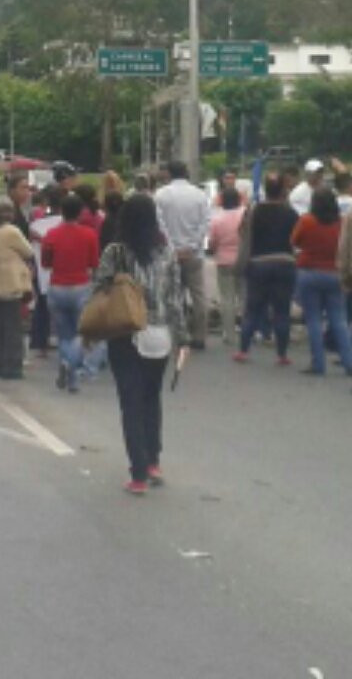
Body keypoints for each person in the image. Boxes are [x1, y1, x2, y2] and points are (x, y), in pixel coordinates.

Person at [95, 193, 187, 494]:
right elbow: (175, 297)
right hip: (160, 334)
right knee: (151, 398)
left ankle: (137, 474)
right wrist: (181, 338)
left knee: (130, 402)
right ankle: (153, 460)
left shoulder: (115, 252)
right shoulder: (167, 251)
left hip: (126, 333)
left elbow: (101, 288)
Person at [235, 172, 298, 364]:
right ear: (283, 191)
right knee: (282, 311)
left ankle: (244, 350)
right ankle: (282, 354)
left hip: (259, 263)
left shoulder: (254, 211)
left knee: (253, 308)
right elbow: (296, 240)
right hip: (285, 262)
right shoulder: (291, 213)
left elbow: (242, 232)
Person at [291, 186, 352, 377]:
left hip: (309, 273)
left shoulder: (307, 221)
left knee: (314, 320)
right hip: (334, 273)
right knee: (339, 320)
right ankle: (349, 361)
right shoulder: (341, 222)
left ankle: (318, 363)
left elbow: (294, 241)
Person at [42, 193, 100, 393]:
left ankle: (67, 367)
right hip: (81, 286)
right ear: (80, 212)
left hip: (57, 285)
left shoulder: (51, 234)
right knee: (80, 333)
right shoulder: (90, 234)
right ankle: (72, 370)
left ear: (61, 212)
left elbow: (45, 262)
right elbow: (94, 263)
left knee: (63, 334)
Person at [154, 160, 210, 349]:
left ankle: (177, 333)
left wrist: (173, 247)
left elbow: (160, 225)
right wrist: (192, 246)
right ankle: (200, 335)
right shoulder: (200, 195)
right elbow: (205, 223)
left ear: (169, 173)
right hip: (194, 254)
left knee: (172, 295)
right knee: (199, 295)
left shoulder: (161, 195)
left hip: (170, 254)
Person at [0, 197, 34, 380]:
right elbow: (29, 251)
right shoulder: (11, 232)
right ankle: (13, 366)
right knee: (12, 329)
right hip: (10, 285)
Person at [28, 185, 64, 359]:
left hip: (42, 271)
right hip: (63, 273)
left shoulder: (37, 225)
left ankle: (40, 343)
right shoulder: (66, 224)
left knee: (41, 306)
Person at [207, 187, 245, 346]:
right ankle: (246, 331)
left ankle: (229, 334)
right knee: (244, 297)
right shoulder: (245, 216)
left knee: (227, 299)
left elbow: (212, 243)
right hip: (243, 260)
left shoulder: (217, 219)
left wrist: (214, 250)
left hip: (224, 261)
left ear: (222, 201)